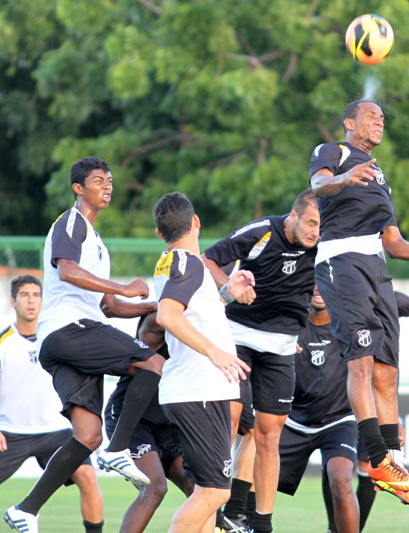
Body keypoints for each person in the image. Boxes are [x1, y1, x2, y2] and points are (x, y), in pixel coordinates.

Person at [309, 100, 409, 505]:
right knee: (360, 362)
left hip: (376, 268)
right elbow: (318, 186)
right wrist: (344, 178)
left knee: (387, 372)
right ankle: (376, 458)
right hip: (342, 262)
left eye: (382, 117)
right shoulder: (335, 153)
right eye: (371, 115)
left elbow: (392, 242)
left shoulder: (380, 174)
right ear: (349, 122)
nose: (380, 121)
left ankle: (393, 463)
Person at [5, 156, 166, 532]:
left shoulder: (97, 243)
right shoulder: (71, 223)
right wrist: (122, 285)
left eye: (109, 180)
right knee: (152, 364)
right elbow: (66, 270)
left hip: (67, 339)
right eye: (98, 180)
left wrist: (154, 305)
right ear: (79, 189)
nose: (107, 185)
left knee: (88, 435)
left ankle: (24, 510)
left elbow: (108, 307)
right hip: (68, 329)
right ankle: (119, 448)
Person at [202, 189, 320, 533]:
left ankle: (262, 524)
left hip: (282, 348)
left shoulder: (323, 245)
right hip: (237, 336)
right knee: (232, 417)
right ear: (294, 216)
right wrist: (228, 286)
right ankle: (212, 510)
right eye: (311, 222)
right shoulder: (261, 233)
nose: (316, 231)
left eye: (321, 225)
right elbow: (207, 260)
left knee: (268, 436)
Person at [0, 275, 102, 533]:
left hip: (57, 431)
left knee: (88, 477)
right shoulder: (2, 342)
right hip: (11, 434)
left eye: (36, 295)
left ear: (42, 301)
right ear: (13, 301)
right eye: (24, 295)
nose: (31, 300)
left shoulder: (56, 338)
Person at [152, 192, 253, 533]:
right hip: (197, 392)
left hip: (196, 391)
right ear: (196, 222)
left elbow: (195, 313)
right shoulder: (189, 262)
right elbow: (168, 315)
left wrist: (227, 294)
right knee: (214, 492)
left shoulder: (173, 262)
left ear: (159, 234)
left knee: (207, 492)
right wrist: (215, 351)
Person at [319, 292, 409, 532]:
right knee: (337, 468)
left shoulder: (375, 295)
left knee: (370, 468)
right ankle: (334, 527)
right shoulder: (336, 293)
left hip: (373, 403)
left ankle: (352, 528)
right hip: (340, 400)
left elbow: (396, 300)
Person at [103, 311, 195, 533]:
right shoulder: (158, 320)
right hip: (131, 419)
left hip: (166, 423)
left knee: (200, 487)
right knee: (154, 487)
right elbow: (165, 314)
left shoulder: (208, 326)